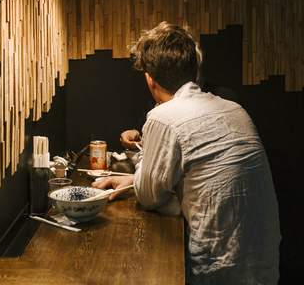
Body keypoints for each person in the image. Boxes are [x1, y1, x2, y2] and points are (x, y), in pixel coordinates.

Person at [93, 22, 280, 284]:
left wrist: (146, 184)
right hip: (264, 262)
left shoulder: (163, 117)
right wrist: (132, 182)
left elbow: (150, 196)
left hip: (217, 268)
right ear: (195, 70)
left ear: (149, 78)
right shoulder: (234, 109)